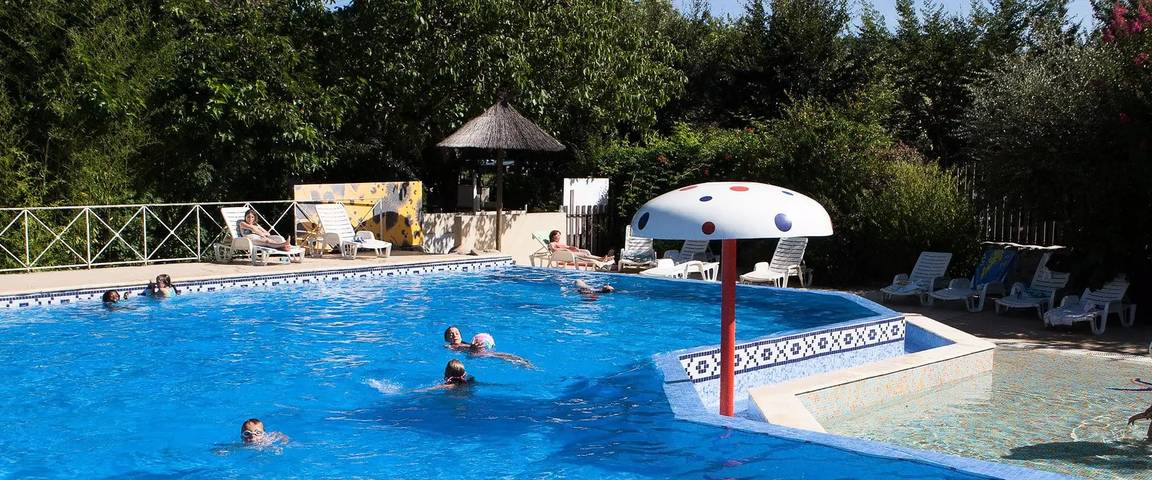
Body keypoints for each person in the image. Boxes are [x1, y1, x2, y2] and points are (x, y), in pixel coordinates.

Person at [443, 326, 535, 369]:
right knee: (499, 356)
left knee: (504, 355)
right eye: (451, 335)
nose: (454, 336)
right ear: (446, 339)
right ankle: (521, 363)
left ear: (461, 336)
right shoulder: (449, 346)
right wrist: (471, 347)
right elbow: (456, 348)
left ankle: (522, 362)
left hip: (475, 354)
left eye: (456, 333)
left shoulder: (465, 343)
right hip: (474, 355)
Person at [547, 230, 614, 264]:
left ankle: (601, 259)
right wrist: (565, 249)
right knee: (584, 254)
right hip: (565, 254)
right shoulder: (552, 243)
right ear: (553, 237)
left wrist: (574, 248)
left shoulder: (560, 242)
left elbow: (568, 246)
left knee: (586, 251)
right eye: (557, 235)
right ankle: (600, 259)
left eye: (559, 235)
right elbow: (554, 250)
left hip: (569, 252)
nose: (558, 237)